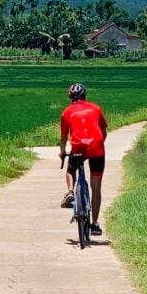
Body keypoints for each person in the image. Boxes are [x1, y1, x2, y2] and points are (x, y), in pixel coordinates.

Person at [59, 83, 108, 236]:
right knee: (96, 187)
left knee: (70, 169)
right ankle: (94, 224)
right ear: (85, 96)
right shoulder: (96, 108)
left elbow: (63, 138)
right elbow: (104, 132)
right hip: (96, 147)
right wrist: (96, 145)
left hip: (78, 147)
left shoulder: (66, 112)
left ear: (70, 97)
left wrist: (62, 152)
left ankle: (70, 191)